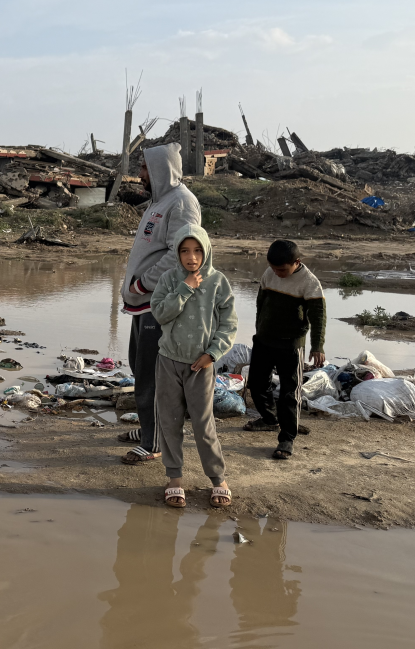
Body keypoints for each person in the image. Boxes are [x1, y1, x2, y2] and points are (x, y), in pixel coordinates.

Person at [118, 144, 202, 466]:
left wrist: (144, 282)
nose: (140, 175)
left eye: (144, 169)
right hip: (144, 302)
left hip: (160, 302)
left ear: (161, 169)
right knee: (138, 366)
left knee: (152, 375)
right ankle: (148, 428)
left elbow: (181, 254)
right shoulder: (160, 202)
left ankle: (154, 443)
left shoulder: (182, 203)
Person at [149, 225, 238, 508]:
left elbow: (229, 324)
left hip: (201, 366)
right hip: (168, 361)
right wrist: (185, 288)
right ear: (177, 253)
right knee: (170, 420)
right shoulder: (168, 279)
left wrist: (212, 354)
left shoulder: (218, 282)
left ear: (207, 251)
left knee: (203, 423)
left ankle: (218, 479)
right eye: (185, 251)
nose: (192, 257)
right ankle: (174, 479)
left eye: (198, 250)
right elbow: (160, 314)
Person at [243, 239, 326, 460]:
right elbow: (261, 304)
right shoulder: (269, 275)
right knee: (257, 383)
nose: (276, 273)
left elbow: (318, 317)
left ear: (296, 262)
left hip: (290, 344)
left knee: (290, 393)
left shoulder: (309, 283)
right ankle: (270, 419)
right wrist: (259, 331)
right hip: (264, 340)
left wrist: (318, 346)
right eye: (273, 267)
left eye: (281, 269)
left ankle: (287, 437)